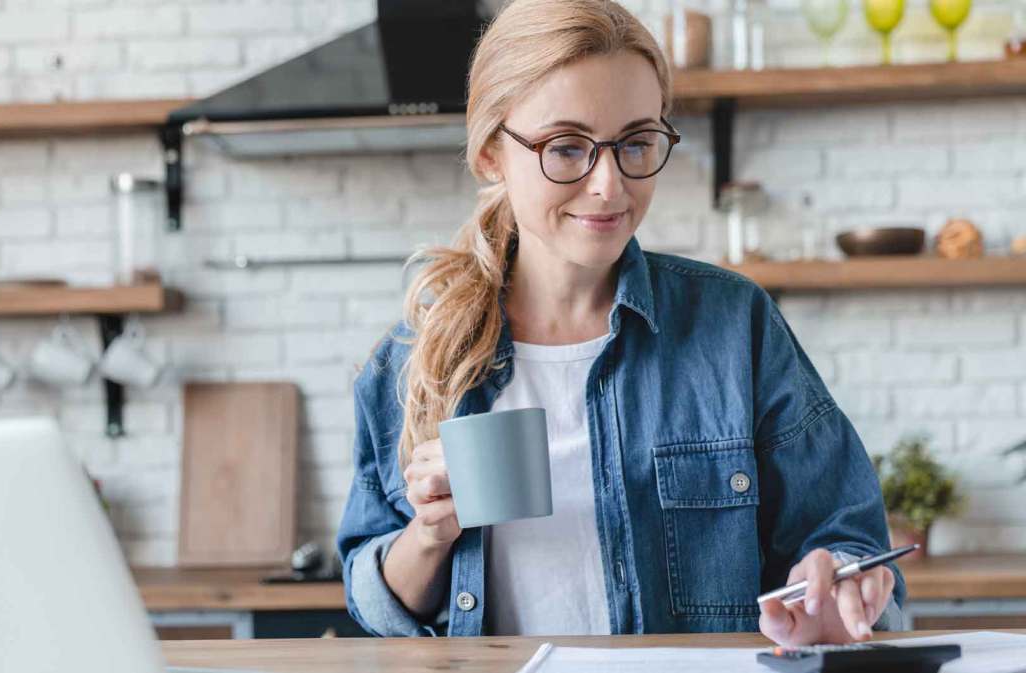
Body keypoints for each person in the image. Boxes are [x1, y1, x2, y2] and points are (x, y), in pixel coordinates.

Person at [336, 0, 903, 644]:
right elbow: (374, 598)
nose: (610, 185)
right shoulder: (413, 357)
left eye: (636, 142)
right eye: (567, 147)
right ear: (493, 151)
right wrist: (431, 534)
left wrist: (845, 585)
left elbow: (842, 533)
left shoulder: (733, 325)